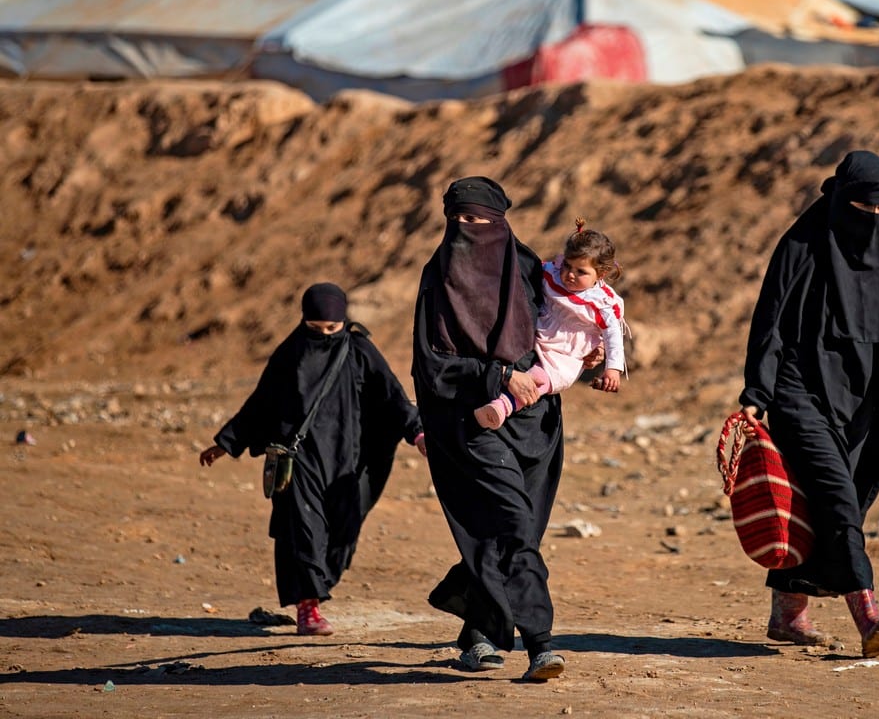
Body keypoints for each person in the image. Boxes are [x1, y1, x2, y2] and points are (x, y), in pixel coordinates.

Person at [739, 150, 879, 658]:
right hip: (798, 392)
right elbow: (769, 321)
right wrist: (757, 392)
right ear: (841, 199)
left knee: (828, 502)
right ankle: (869, 615)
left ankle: (788, 613)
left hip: (861, 397)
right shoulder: (801, 243)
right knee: (838, 499)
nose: (875, 220)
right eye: (864, 208)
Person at [412, 176, 591, 682]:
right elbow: (431, 365)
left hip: (536, 425)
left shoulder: (533, 268)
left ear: (502, 222)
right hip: (472, 422)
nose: (469, 230)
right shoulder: (438, 276)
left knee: (511, 533)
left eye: (480, 220)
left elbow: (568, 326)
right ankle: (541, 642)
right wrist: (496, 375)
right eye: (459, 219)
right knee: (513, 525)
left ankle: (477, 634)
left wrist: (595, 364)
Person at [199, 282, 425, 635]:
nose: (323, 335)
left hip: (347, 458)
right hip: (298, 457)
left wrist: (417, 432)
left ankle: (318, 590)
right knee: (304, 531)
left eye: (331, 329)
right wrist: (227, 442)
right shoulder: (291, 353)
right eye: (315, 328)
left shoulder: (359, 350)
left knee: (342, 532)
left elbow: (392, 396)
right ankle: (308, 607)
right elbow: (261, 403)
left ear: (343, 322)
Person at [474, 217, 627, 430]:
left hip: (566, 354)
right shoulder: (551, 274)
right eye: (567, 265)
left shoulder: (601, 303)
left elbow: (613, 336)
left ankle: (501, 407)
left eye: (581, 272)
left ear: (600, 274)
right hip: (539, 334)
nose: (570, 274)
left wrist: (612, 369)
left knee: (540, 379)